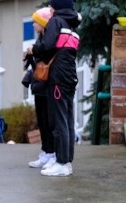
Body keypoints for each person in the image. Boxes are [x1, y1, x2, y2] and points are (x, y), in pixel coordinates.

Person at [29, 0, 81, 177]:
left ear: (56, 7)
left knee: (58, 121)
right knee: (67, 119)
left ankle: (61, 162)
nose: (50, 9)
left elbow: (47, 45)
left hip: (58, 77)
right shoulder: (71, 24)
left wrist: (34, 50)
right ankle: (66, 160)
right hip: (69, 76)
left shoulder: (56, 21)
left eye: (52, 6)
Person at [25, 7, 57, 170]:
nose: (33, 25)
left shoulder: (48, 40)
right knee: (42, 120)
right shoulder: (40, 38)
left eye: (35, 22)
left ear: (43, 23)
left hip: (46, 84)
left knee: (48, 120)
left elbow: (45, 56)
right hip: (39, 84)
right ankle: (46, 152)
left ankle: (51, 152)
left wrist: (34, 51)